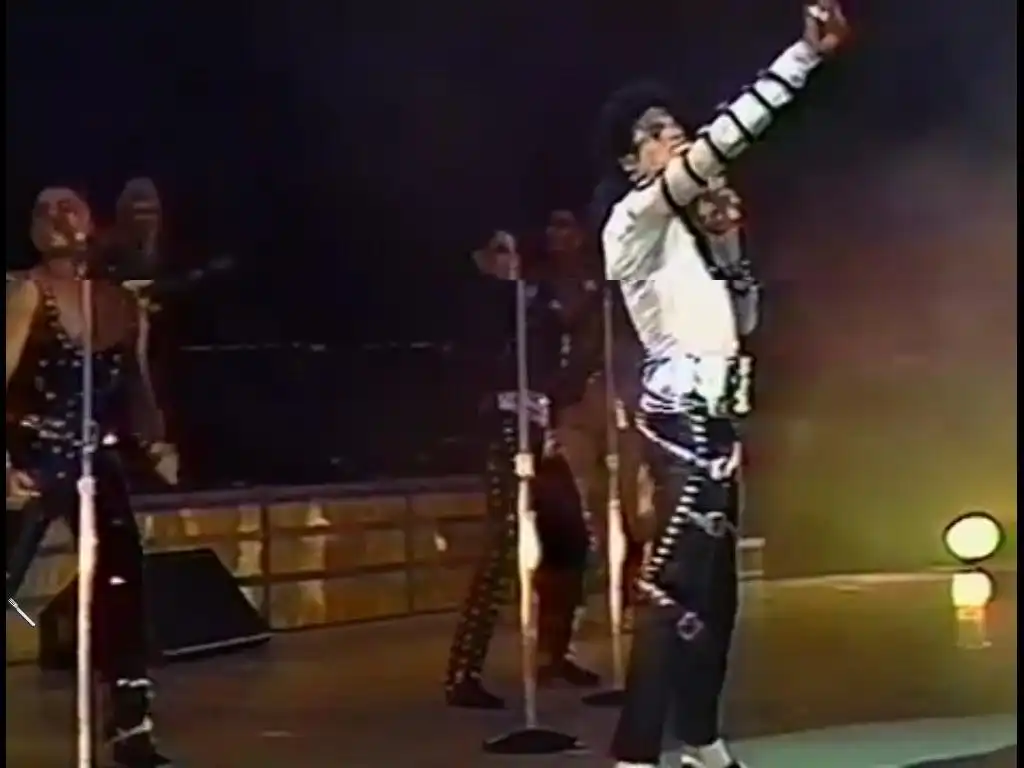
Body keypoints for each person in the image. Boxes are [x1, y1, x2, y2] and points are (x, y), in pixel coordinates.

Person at [592, 3, 850, 767]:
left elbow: (742, 318)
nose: (676, 137)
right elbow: (726, 138)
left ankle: (702, 740)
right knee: (674, 587)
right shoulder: (634, 219)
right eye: (657, 132)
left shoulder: (688, 235)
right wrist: (802, 59)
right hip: (682, 422)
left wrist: (729, 245)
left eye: (676, 125)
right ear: (632, 160)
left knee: (717, 594)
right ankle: (635, 753)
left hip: (717, 420)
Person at [6, 187, 179, 767]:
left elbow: (139, 389)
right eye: (43, 209)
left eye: (68, 206)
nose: (56, 215)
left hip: (93, 460)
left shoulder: (123, 305)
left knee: (122, 584)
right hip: (30, 457)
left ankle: (131, 729)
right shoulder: (27, 293)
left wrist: (156, 441)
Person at [444, 231, 598, 709]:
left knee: (570, 537)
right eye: (499, 251)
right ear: (480, 258)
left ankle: (555, 653)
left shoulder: (535, 308)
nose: (510, 261)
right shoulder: (479, 309)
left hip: (539, 426)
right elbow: (474, 365)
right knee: (503, 543)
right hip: (502, 428)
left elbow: (561, 364)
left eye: (514, 251)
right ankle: (463, 672)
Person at [541, 210, 651, 632]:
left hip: (614, 393)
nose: (558, 235)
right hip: (570, 402)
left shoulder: (606, 281)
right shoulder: (544, 284)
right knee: (582, 502)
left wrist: (627, 390)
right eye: (552, 227)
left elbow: (627, 335)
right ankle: (591, 595)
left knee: (630, 498)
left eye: (566, 226)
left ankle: (634, 584)